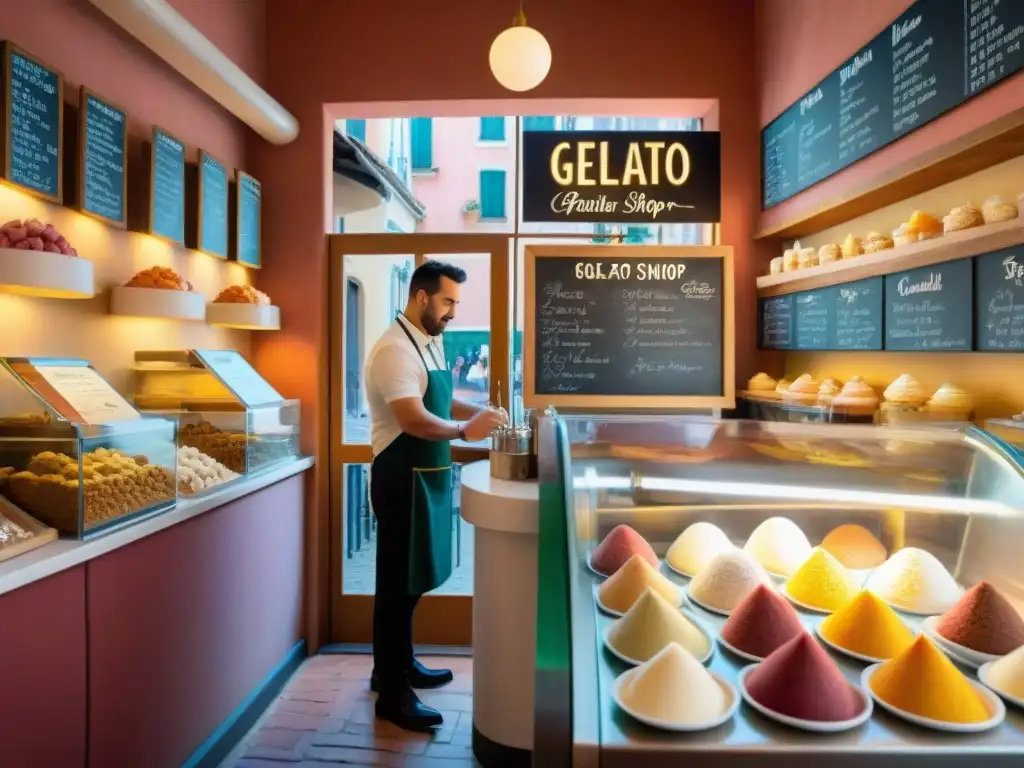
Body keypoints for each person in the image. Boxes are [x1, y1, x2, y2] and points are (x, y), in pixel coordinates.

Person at [364, 260, 506, 730]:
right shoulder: (392, 351)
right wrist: (468, 430)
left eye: (456, 304)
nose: (452, 313)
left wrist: (483, 411)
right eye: (447, 302)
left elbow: (439, 401)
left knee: (411, 583)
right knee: (395, 589)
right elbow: (413, 419)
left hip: (426, 473)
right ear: (422, 297)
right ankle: (391, 693)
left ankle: (399, 667)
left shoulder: (430, 342)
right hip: (400, 476)